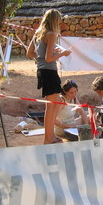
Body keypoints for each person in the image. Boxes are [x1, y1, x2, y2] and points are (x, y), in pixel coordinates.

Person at [26, 9, 72, 144]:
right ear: (54, 21)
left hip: (42, 71)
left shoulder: (38, 34)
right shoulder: (51, 34)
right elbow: (49, 58)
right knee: (51, 106)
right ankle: (48, 138)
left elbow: (29, 53)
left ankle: (50, 135)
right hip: (49, 71)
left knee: (54, 103)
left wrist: (43, 56)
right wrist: (63, 54)